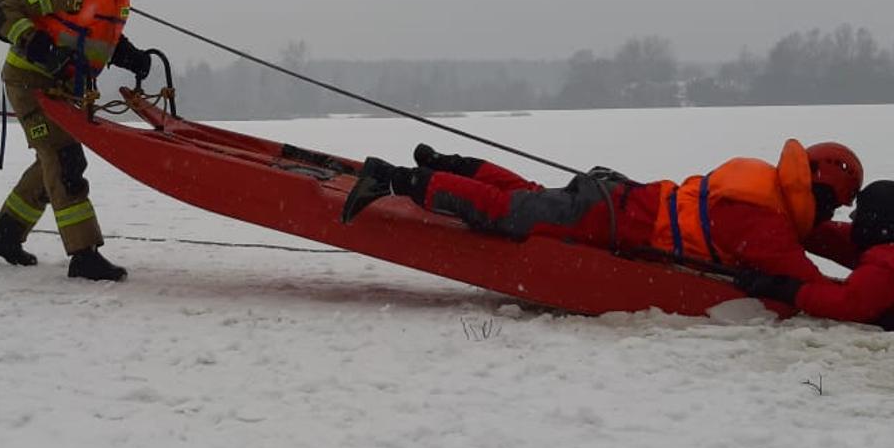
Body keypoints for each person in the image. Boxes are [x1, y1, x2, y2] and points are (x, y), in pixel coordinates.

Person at [341, 139, 863, 281]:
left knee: (528, 196)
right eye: (830, 210)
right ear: (816, 196)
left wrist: (862, 244)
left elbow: (806, 239)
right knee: (508, 212)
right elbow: (804, 280)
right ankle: (396, 178)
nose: (825, 220)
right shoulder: (764, 220)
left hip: (616, 199)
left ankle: (453, 163)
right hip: (610, 217)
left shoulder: (761, 184)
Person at [0, 0, 151, 281]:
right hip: (29, 81)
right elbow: (4, 8)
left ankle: (5, 234)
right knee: (65, 159)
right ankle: (84, 254)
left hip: (64, 88)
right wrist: (35, 42)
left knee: (50, 159)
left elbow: (96, 36)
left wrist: (130, 56)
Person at [731, 180, 894, 341]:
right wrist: (792, 220)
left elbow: (846, 305)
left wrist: (782, 288)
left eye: (861, 211)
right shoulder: (893, 243)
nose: (853, 216)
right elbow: (828, 237)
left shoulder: (891, 262)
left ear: (877, 220)